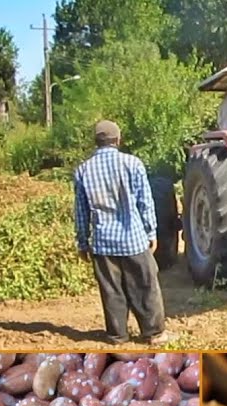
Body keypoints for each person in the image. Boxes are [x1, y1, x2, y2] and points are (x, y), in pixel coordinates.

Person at [73, 120, 169, 345]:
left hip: (103, 242)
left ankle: (118, 335)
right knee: (145, 285)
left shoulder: (83, 170)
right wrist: (151, 231)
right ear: (118, 140)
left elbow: (81, 210)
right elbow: (145, 201)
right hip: (133, 238)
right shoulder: (132, 164)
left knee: (111, 291)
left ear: (96, 142)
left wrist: (82, 242)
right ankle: (154, 333)